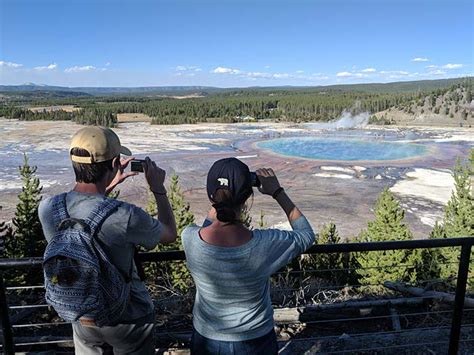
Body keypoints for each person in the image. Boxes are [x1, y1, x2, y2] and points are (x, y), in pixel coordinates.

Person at [39, 126, 177, 354]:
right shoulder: (126, 215)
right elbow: (169, 234)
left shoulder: (48, 208)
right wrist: (158, 189)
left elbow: (85, 214)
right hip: (128, 317)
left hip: (81, 311)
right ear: (114, 165)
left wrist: (108, 185)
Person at [182, 157, 316, 354]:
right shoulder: (264, 244)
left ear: (211, 196)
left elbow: (208, 227)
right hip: (255, 339)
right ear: (247, 197)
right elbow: (306, 235)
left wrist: (220, 196)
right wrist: (277, 192)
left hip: (207, 338)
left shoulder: (190, 238)